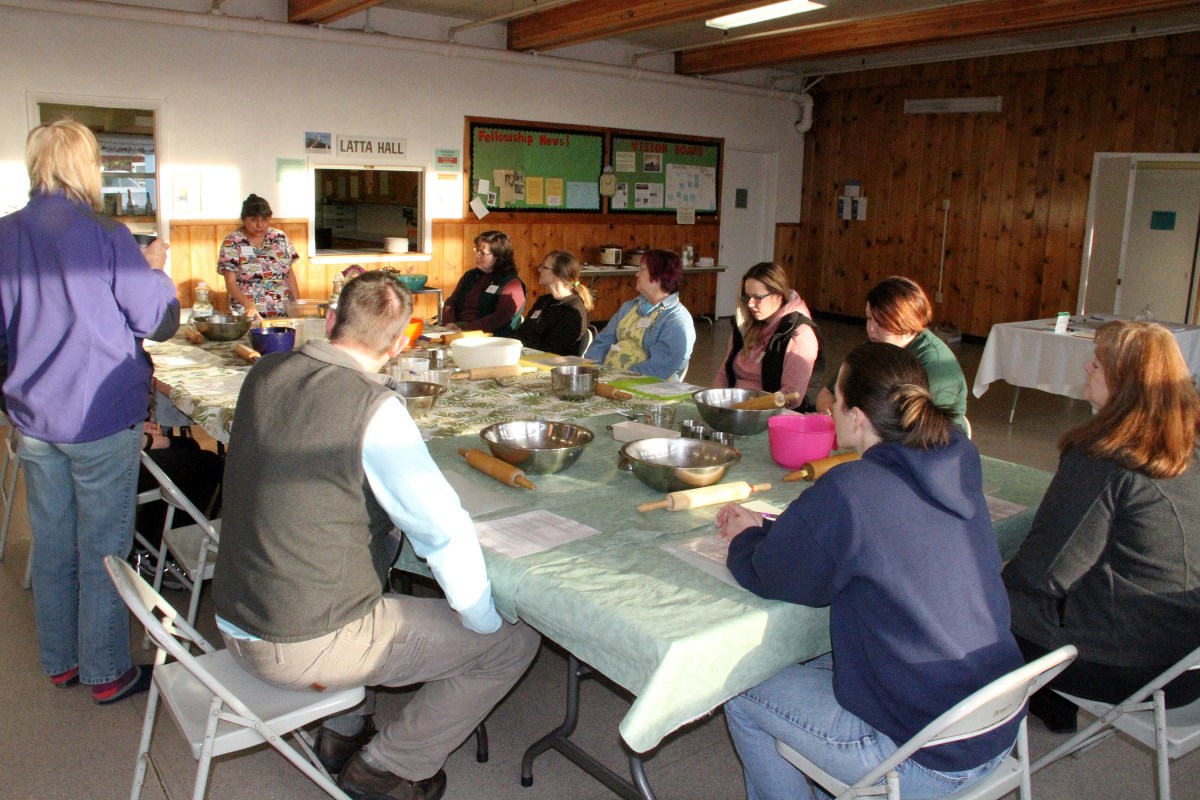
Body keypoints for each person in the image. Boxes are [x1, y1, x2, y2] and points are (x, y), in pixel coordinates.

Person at [211, 271, 540, 800]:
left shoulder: (267, 371)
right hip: (294, 641)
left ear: (331, 320)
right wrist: (479, 619)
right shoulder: (376, 408)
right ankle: (387, 768)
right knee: (512, 643)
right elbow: (441, 528)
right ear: (399, 345)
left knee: (356, 559)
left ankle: (342, 733)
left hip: (234, 613)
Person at [718, 341, 1023, 800]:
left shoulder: (852, 488)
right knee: (817, 659)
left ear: (857, 417)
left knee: (741, 688)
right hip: (993, 720)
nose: (829, 408)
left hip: (921, 755)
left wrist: (745, 539)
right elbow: (867, 539)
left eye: (837, 399)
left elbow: (776, 575)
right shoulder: (958, 456)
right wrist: (775, 529)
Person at [0, 119, 179, 703]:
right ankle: (106, 672)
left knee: (53, 542)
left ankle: (60, 661)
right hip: (99, 416)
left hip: (34, 417)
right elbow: (156, 320)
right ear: (88, 168)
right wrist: (155, 272)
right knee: (104, 549)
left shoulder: (5, 234)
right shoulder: (107, 234)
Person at [1003, 320, 1200, 733]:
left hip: (1125, 668)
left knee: (974, 599)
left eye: (1098, 363)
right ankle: (1051, 707)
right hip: (1186, 660)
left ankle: (969, 727)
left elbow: (1046, 574)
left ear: (1125, 384)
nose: (1087, 368)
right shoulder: (1186, 447)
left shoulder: (1103, 458)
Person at [815, 276, 968, 430]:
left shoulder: (937, 367)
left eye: (881, 322)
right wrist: (837, 415)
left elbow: (924, 431)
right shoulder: (874, 348)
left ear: (905, 321)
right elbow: (826, 395)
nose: (871, 329)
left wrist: (852, 422)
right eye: (869, 318)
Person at [713, 262, 822, 410]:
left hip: (773, 414)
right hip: (738, 407)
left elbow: (791, 397)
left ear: (778, 296)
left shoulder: (800, 334)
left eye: (758, 297)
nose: (750, 304)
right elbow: (723, 373)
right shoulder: (744, 326)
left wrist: (745, 409)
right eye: (747, 297)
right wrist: (716, 401)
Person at [584, 249, 695, 381]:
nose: (637, 274)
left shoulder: (677, 319)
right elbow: (603, 340)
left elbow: (659, 367)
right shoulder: (629, 307)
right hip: (606, 379)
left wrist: (620, 378)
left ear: (658, 275)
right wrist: (590, 369)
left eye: (642, 269)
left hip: (643, 386)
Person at [217, 193, 300, 319]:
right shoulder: (232, 241)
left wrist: (297, 306)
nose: (260, 224)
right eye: (254, 219)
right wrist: (249, 305)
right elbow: (230, 283)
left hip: (282, 315)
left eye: (264, 219)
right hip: (247, 315)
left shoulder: (279, 237)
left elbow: (289, 275)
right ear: (244, 219)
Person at [442, 230, 526, 335]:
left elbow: (499, 318)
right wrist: (449, 323)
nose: (477, 255)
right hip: (457, 329)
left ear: (498, 255)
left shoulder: (511, 283)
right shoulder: (470, 276)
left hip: (487, 336)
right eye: (477, 251)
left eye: (482, 252)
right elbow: (451, 303)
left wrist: (465, 328)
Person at [513, 250, 592, 355]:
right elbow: (521, 332)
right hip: (524, 355)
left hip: (547, 361)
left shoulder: (572, 310)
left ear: (559, 274)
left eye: (544, 267)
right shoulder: (543, 301)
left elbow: (553, 349)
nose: (539, 269)